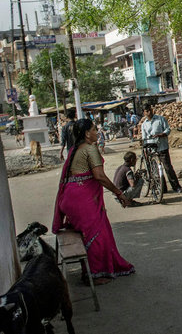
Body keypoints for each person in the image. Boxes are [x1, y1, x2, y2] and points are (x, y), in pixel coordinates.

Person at [52, 118, 135, 285]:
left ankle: (91, 270)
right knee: (97, 234)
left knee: (96, 231)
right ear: (86, 134)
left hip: (69, 199)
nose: (97, 132)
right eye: (94, 129)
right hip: (82, 201)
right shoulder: (90, 149)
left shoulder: (75, 149)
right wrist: (119, 193)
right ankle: (96, 274)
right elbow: (99, 176)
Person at [140, 104, 182, 193]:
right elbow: (144, 139)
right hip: (152, 150)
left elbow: (167, 130)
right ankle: (162, 188)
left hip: (162, 147)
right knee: (155, 170)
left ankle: (176, 187)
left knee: (168, 168)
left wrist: (161, 134)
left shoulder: (160, 119)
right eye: (146, 111)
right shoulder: (144, 124)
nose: (148, 112)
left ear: (152, 110)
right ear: (144, 113)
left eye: (149, 110)